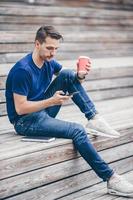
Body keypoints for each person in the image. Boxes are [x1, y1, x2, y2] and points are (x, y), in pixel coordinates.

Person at [5, 25, 133, 198]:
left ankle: (93, 117)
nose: (53, 53)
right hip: (25, 121)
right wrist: (51, 101)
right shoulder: (23, 70)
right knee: (77, 130)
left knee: (66, 74)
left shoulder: (49, 62)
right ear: (37, 44)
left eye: (56, 49)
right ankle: (111, 179)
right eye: (49, 48)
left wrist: (79, 75)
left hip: (42, 112)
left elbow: (69, 78)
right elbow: (20, 108)